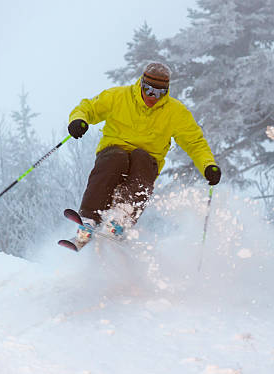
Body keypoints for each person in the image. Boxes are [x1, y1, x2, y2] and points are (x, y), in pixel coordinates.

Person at [67, 62, 221, 244]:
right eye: (148, 90)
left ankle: (121, 218)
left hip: (147, 161)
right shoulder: (118, 97)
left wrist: (208, 165)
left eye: (159, 93)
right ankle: (89, 219)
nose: (152, 97)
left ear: (166, 91)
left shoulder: (175, 112)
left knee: (142, 158)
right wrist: (79, 120)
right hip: (114, 151)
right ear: (141, 84)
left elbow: (195, 142)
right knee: (116, 158)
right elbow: (88, 108)